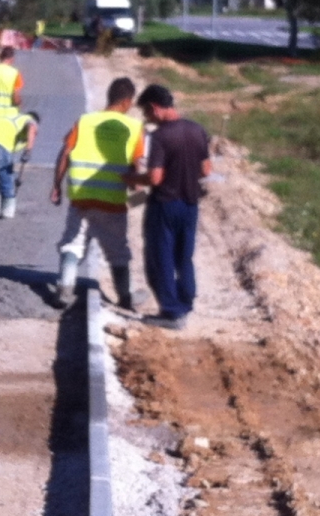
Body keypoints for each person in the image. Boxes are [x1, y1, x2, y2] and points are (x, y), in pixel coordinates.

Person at [49, 77, 147, 309]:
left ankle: (64, 288)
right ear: (126, 101)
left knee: (73, 242)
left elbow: (65, 154)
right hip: (112, 204)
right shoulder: (133, 128)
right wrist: (139, 196)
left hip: (81, 198)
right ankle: (125, 298)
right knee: (117, 251)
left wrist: (56, 186)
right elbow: (135, 170)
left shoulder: (85, 121)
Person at [135, 84, 212, 330]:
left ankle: (171, 312)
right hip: (191, 204)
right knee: (183, 256)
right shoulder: (197, 130)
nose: (148, 119)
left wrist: (132, 179)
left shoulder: (160, 137)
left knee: (161, 258)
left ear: (154, 108)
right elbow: (206, 169)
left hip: (165, 204)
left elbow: (155, 178)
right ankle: (186, 301)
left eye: (146, 114)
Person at [0, 111, 37, 218]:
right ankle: (7, 212)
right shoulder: (29, 119)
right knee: (5, 175)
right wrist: (28, 151)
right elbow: (32, 127)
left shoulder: (11, 118)